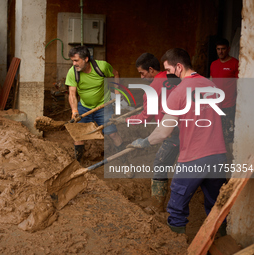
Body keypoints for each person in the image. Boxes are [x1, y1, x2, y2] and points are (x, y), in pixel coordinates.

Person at [127, 48, 227, 234]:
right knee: (217, 206)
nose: (167, 75)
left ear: (179, 67)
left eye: (168, 70)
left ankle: (177, 247)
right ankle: (219, 244)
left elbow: (164, 132)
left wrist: (146, 141)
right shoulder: (211, 86)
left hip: (193, 158)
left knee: (177, 209)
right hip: (218, 156)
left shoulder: (179, 92)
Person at [113, 53, 180, 212]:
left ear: (151, 70)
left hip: (172, 132)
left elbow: (144, 117)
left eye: (142, 73)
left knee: (160, 164)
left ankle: (157, 206)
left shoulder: (152, 89)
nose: (141, 77)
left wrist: (125, 120)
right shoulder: (172, 76)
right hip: (188, 128)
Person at [65, 45, 123, 163]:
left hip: (104, 106)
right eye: (72, 61)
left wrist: (117, 92)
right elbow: (72, 94)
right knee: (78, 136)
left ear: (86, 59)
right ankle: (79, 163)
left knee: (112, 134)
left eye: (76, 60)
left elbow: (116, 74)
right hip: (84, 106)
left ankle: (124, 160)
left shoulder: (102, 67)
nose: (74, 64)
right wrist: (74, 110)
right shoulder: (72, 72)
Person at [210, 38, 239, 144]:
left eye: (223, 49)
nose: (220, 52)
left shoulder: (235, 63)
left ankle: (228, 159)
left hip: (229, 105)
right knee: (215, 133)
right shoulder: (213, 64)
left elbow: (239, 84)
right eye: (218, 49)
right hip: (216, 104)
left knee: (228, 134)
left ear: (228, 49)